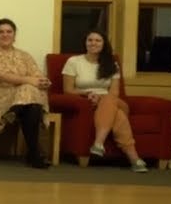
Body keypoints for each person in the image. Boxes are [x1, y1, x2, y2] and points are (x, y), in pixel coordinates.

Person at [61, 30, 147, 172]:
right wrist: (87, 93)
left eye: (97, 40)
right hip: (89, 103)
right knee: (118, 117)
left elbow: (114, 93)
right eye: (90, 40)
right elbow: (68, 90)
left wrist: (100, 97)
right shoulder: (74, 62)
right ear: (85, 43)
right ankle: (135, 159)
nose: (93, 43)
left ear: (104, 44)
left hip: (112, 101)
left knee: (109, 99)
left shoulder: (112, 64)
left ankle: (98, 142)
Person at [0, 18, 51, 168]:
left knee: (30, 99)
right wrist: (29, 81)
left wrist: (43, 81)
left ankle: (15, 111)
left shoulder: (24, 55)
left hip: (23, 97)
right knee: (29, 92)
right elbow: (2, 76)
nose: (5, 35)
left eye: (8, 31)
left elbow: (36, 74)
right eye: (1, 32)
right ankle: (34, 153)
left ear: (14, 35)